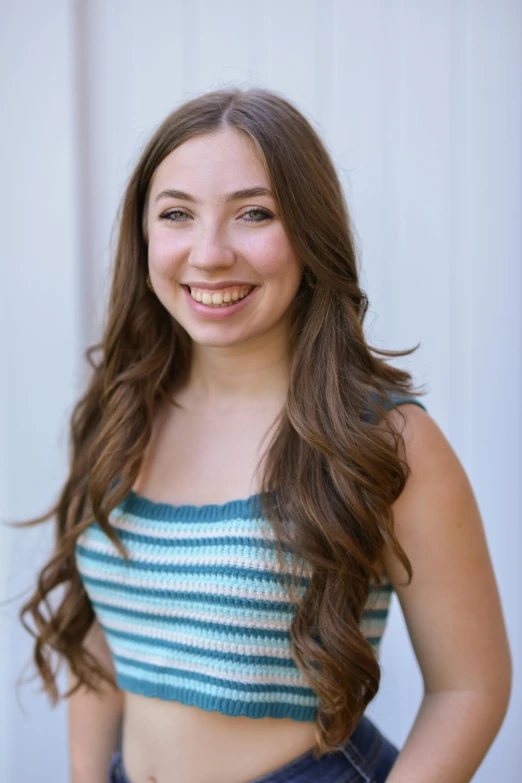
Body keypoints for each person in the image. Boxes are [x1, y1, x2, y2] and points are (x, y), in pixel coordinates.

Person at [16, 87, 511, 783]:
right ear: (144, 236)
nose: (210, 253)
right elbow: (102, 637)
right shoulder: (120, 413)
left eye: (254, 213)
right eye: (177, 214)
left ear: (312, 233)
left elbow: (471, 687)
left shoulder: (386, 440)